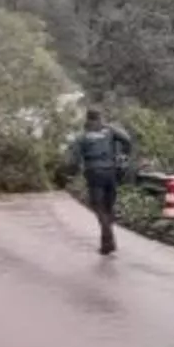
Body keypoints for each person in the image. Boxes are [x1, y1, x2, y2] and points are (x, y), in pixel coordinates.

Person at [67, 108, 136, 255]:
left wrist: (72, 174)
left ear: (87, 120)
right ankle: (107, 235)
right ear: (100, 118)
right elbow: (127, 140)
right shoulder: (110, 131)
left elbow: (73, 160)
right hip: (110, 172)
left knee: (98, 207)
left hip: (94, 174)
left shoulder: (82, 137)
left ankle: (108, 239)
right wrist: (124, 157)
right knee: (108, 206)